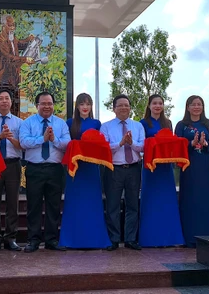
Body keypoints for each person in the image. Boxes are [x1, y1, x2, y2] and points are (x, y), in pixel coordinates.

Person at [19, 91, 71, 252]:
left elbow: (67, 144)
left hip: (55, 169)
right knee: (33, 205)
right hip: (34, 169)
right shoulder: (27, 122)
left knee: (53, 206)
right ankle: (33, 240)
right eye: (44, 103)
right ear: (37, 106)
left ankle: (51, 240)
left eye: (50, 103)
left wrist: (54, 139)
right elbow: (24, 142)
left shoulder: (61, 124)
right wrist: (43, 139)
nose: (47, 106)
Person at [60, 93, 109, 249]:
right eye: (82, 104)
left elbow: (101, 144)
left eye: (88, 104)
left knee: (92, 204)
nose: (85, 107)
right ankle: (71, 240)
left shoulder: (96, 123)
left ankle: (95, 240)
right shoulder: (70, 123)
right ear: (77, 106)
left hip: (92, 169)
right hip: (76, 169)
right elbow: (66, 145)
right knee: (74, 204)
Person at [101, 94, 146, 251]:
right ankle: (113, 239)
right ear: (114, 109)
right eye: (120, 105)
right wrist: (120, 143)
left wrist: (131, 143)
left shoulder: (138, 126)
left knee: (132, 204)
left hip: (133, 168)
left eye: (126, 105)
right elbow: (104, 148)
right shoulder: (106, 126)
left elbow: (142, 147)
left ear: (130, 108)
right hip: (114, 169)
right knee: (112, 204)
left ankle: (130, 239)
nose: (124, 108)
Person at [175, 95, 209, 247]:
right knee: (189, 198)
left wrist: (206, 143)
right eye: (193, 104)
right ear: (187, 107)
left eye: (199, 104)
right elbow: (176, 144)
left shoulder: (208, 124)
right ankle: (189, 237)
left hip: (205, 166)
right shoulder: (182, 125)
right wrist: (190, 143)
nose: (196, 107)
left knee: (205, 198)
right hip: (188, 166)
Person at [139, 94, 184, 247]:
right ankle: (150, 239)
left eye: (160, 103)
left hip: (165, 167)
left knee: (167, 200)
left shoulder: (168, 123)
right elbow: (142, 144)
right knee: (151, 200)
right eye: (154, 103)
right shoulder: (143, 123)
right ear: (149, 106)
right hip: (150, 167)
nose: (157, 106)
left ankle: (170, 238)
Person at [0, 88, 24, 252]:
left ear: (11, 102)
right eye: (0, 98)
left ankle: (11, 238)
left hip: (12, 164)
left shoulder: (19, 122)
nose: (4, 101)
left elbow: (23, 146)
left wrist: (10, 138)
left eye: (7, 98)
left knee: (12, 203)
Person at [0, 14, 35, 115]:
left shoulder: (11, 37)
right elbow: (9, 58)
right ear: (3, 26)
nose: (12, 28)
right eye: (10, 25)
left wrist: (28, 40)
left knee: (15, 104)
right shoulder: (1, 40)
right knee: (5, 106)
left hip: (14, 77)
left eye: (13, 25)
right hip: (4, 79)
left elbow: (18, 44)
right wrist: (25, 59)